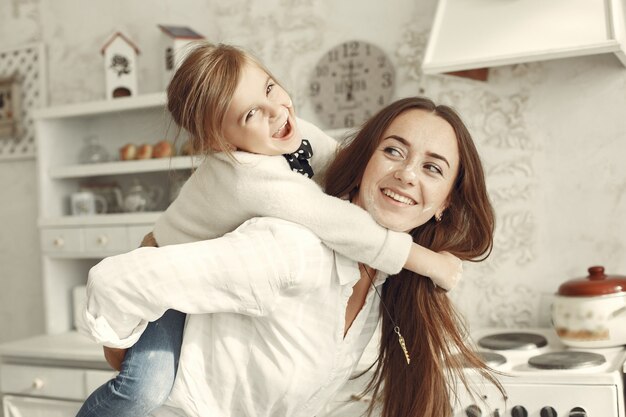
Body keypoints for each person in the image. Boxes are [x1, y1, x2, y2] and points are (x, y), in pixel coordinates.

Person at [76, 43, 462, 417]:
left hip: (184, 273)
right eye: (250, 115)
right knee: (144, 388)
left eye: (270, 88)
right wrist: (428, 262)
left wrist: (383, 176)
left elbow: (343, 162)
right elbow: (332, 218)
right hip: (161, 266)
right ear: (222, 142)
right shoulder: (260, 195)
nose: (275, 112)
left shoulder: (295, 133)